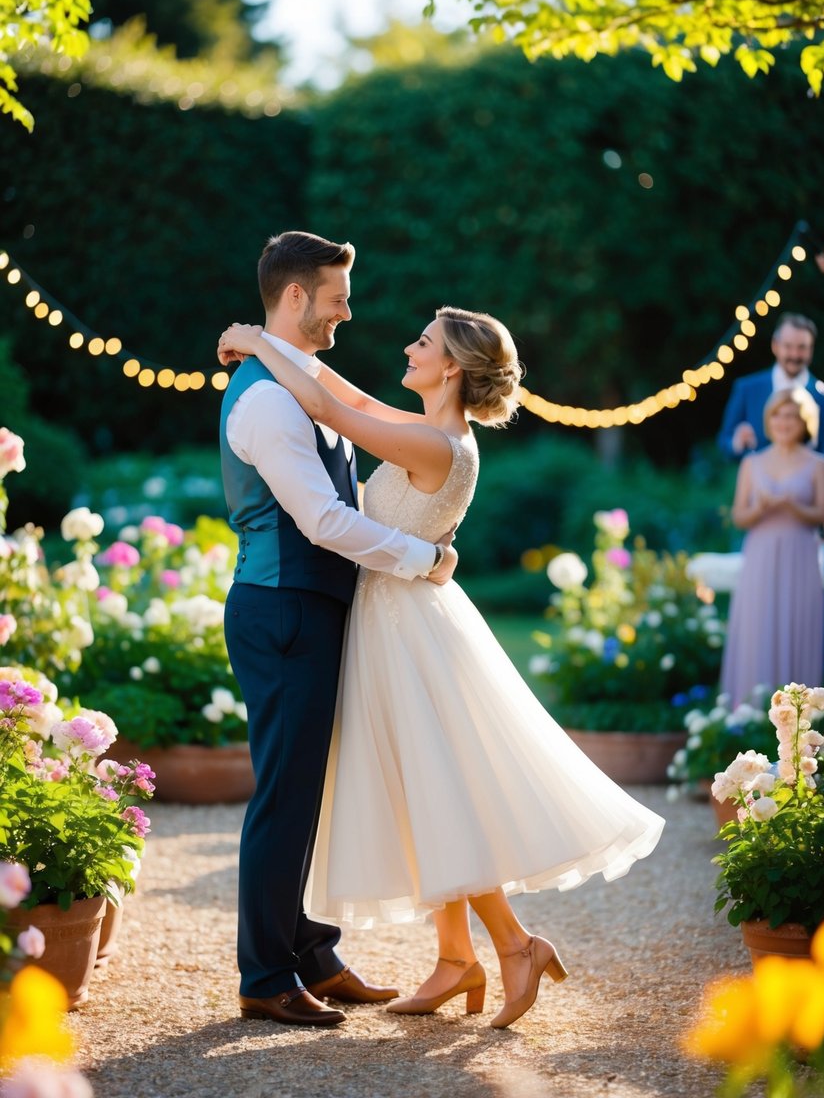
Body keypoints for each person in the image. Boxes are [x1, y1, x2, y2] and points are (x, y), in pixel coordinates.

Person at [218, 309, 665, 1031]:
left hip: (406, 630)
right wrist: (261, 343)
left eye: (422, 342)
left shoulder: (436, 445)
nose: (406, 346)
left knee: (435, 790)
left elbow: (330, 407)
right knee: (422, 791)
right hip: (395, 619)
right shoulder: (426, 430)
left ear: (451, 366)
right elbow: (349, 399)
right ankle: (455, 958)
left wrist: (255, 345)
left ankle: (513, 944)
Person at [219, 231, 460, 1030]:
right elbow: (321, 520)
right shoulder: (260, 399)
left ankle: (312, 951)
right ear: (296, 298)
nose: (346, 314)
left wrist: (250, 336)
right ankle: (265, 974)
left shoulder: (299, 379)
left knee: (308, 791)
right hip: (281, 607)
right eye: (335, 298)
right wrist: (420, 556)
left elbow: (341, 401)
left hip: (312, 607)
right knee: (285, 793)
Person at [719, 388, 824, 708]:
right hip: (761, 554)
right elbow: (740, 515)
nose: (784, 421)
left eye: (792, 414)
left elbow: (823, 514)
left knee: (798, 626)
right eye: (779, 414)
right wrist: (760, 508)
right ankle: (748, 715)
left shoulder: (819, 463)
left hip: (801, 554)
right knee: (758, 629)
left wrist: (794, 505)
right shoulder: (752, 464)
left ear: (804, 420)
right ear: (770, 419)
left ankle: (799, 721)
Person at [717, 313, 824, 460]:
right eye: (788, 346)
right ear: (775, 346)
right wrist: (735, 443)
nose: (795, 355)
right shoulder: (747, 388)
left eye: (802, 347)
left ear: (811, 349)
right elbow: (724, 442)